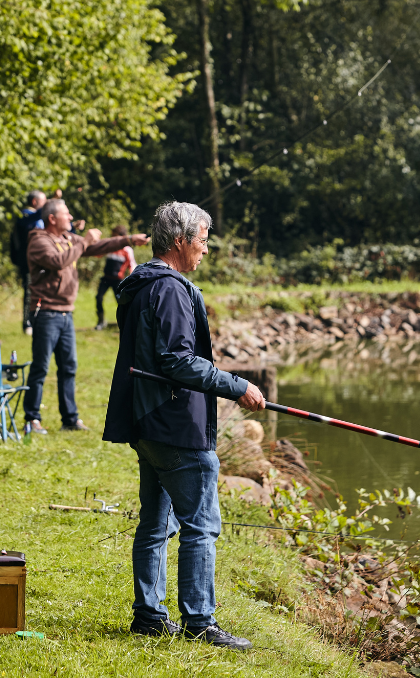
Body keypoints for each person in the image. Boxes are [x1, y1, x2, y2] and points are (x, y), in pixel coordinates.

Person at [103, 202, 266, 649]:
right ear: (180, 241)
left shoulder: (140, 285)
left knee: (155, 523)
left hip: (147, 420)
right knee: (202, 525)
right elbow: (176, 361)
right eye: (203, 240)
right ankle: (200, 621)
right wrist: (236, 385)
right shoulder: (171, 290)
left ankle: (150, 616)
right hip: (174, 426)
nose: (206, 250)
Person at [24, 199, 145, 433]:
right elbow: (58, 261)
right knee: (40, 367)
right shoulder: (39, 241)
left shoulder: (69, 239)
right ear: (52, 219)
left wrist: (128, 240)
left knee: (69, 367)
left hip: (66, 313)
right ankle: (32, 419)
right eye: (66, 214)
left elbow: (99, 247)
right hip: (46, 312)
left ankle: (69, 419)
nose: (70, 218)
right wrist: (85, 242)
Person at [95, 225, 147, 330]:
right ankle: (101, 322)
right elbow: (98, 254)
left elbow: (132, 265)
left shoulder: (127, 250)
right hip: (106, 278)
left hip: (118, 281)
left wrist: (133, 280)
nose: (113, 238)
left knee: (121, 302)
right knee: (98, 298)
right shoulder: (110, 247)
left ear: (122, 237)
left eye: (115, 236)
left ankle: (125, 323)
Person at [9, 190, 46, 336]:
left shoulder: (38, 217)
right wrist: (52, 201)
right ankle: (27, 323)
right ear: (35, 202)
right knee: (30, 292)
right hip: (28, 263)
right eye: (44, 202)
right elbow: (32, 219)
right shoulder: (24, 215)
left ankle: (39, 320)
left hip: (41, 261)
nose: (46, 204)